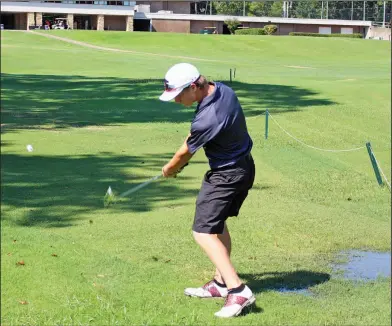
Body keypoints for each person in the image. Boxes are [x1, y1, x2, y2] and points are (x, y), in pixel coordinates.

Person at [159, 63, 256, 318]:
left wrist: (170, 169)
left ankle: (238, 290)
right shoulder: (224, 90)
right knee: (217, 224)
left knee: (202, 232)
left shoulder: (207, 118)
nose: (177, 101)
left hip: (226, 175)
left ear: (194, 87)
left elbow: (185, 152)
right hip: (244, 167)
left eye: (179, 95)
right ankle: (220, 283)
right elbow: (193, 138)